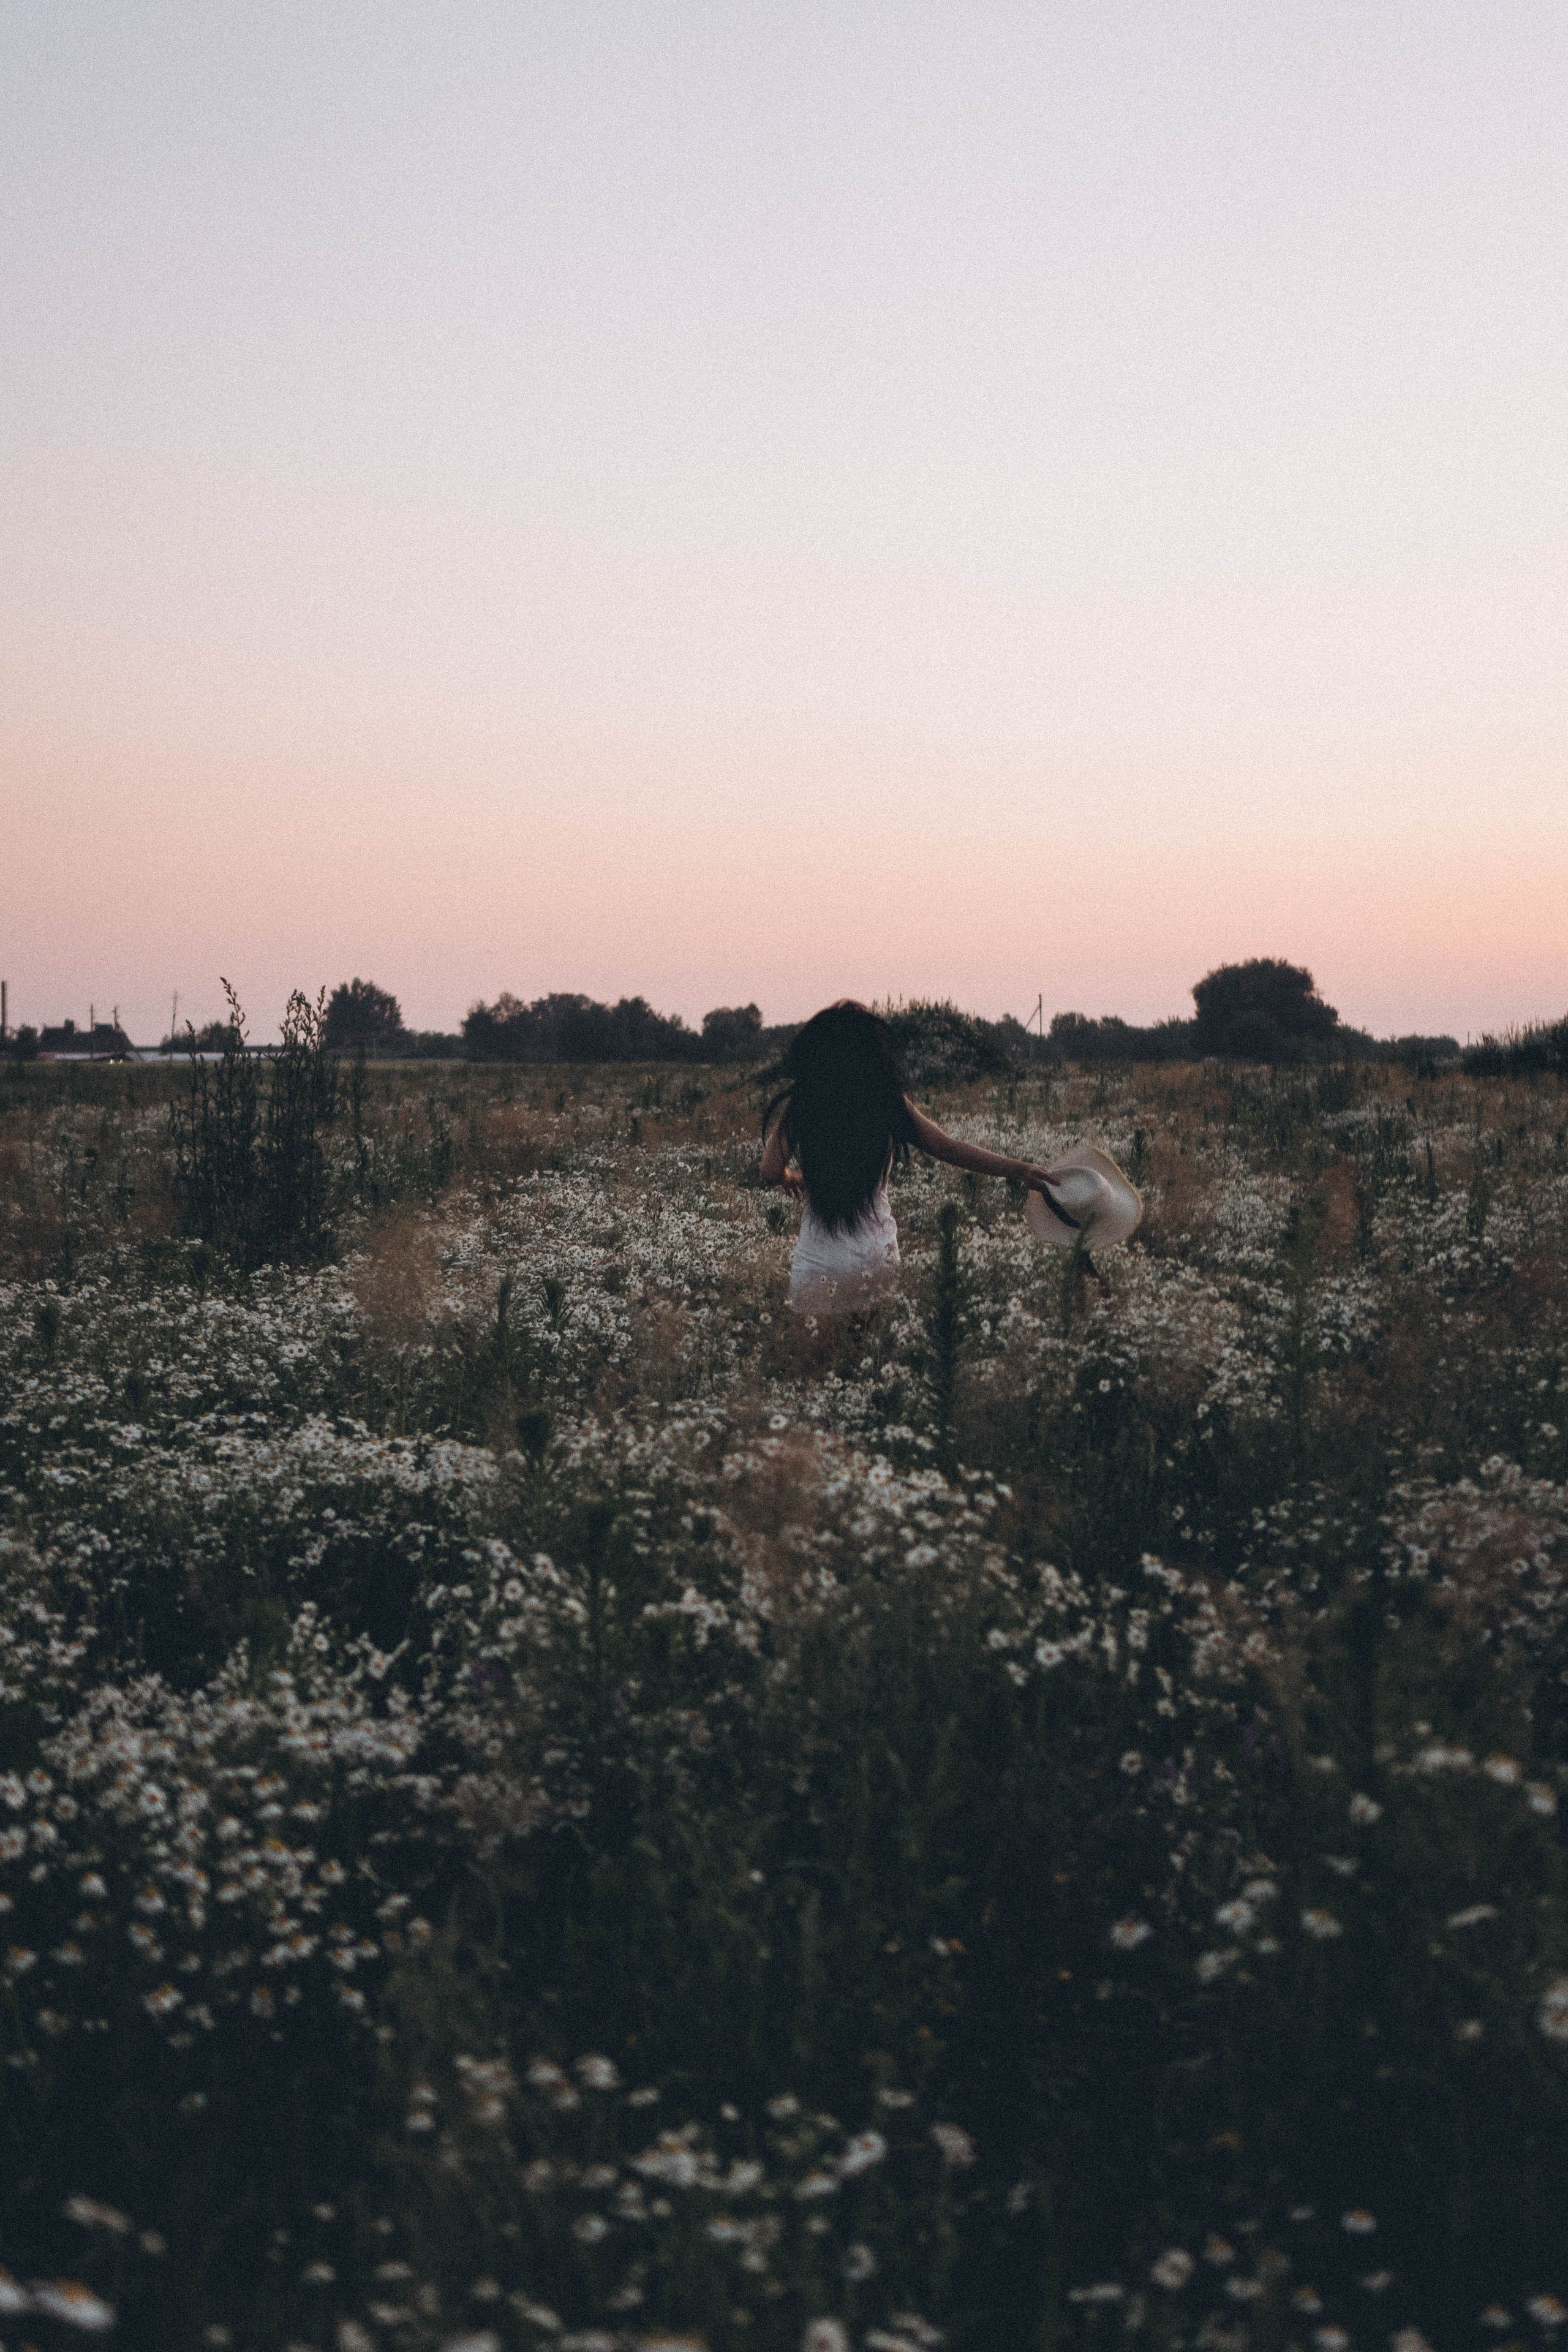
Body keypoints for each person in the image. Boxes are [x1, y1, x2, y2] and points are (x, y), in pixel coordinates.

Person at [760, 1000, 1096, 1317]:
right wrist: (1019, 1169)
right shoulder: (886, 1100)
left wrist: (790, 1177)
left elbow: (770, 1170)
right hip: (876, 1257)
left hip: (820, 1262)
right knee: (874, 1364)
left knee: (814, 1372)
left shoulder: (803, 1104)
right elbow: (946, 1146)